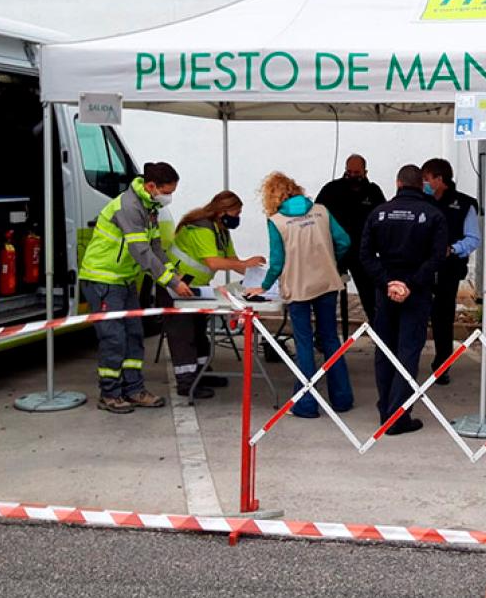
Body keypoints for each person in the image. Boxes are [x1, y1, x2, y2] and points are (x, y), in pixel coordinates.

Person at [80, 162, 191, 414]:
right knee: (114, 339)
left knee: (133, 336)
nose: (169, 197)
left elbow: (155, 248)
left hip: (124, 280)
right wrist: (172, 282)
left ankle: (134, 389)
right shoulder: (128, 207)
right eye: (167, 192)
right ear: (151, 186)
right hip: (103, 280)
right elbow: (140, 251)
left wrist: (174, 273)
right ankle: (109, 394)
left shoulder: (149, 207)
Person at [249, 173, 354, 418]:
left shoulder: (276, 221)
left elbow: (277, 262)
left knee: (304, 343)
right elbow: (344, 241)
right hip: (327, 282)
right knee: (330, 339)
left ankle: (306, 403)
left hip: (297, 287)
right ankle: (342, 398)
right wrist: (331, 261)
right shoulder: (321, 211)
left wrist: (263, 286)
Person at [360, 165, 447, 436]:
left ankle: (385, 409)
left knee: (384, 350)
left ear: (397, 183)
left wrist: (387, 282)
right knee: (408, 351)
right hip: (416, 291)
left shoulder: (379, 213)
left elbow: (365, 255)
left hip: (386, 290)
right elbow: (437, 257)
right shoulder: (433, 214)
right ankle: (398, 415)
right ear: (422, 185)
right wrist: (410, 284)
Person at [164, 190, 264, 399]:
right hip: (175, 286)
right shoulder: (202, 229)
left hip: (195, 288)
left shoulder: (221, 231)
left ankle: (202, 373)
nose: (238, 218)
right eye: (236, 213)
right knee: (184, 336)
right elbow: (214, 262)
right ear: (222, 212)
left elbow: (233, 260)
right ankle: (186, 382)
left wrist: (261, 277)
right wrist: (245, 263)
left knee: (199, 333)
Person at [420, 157, 481, 385]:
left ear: (439, 179)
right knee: (417, 314)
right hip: (422, 268)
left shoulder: (464, 204)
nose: (424, 183)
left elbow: (473, 239)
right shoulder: (421, 201)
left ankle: (442, 365)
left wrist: (452, 249)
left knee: (443, 319)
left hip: (449, 269)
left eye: (427, 179)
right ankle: (407, 362)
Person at [315, 154, 387, 331]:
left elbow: (383, 220)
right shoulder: (332, 189)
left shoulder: (373, 192)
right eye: (350, 172)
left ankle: (380, 335)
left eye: (357, 172)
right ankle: (323, 335)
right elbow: (317, 216)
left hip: (363, 253)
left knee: (371, 297)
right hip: (335, 252)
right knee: (325, 297)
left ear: (365, 172)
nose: (353, 176)